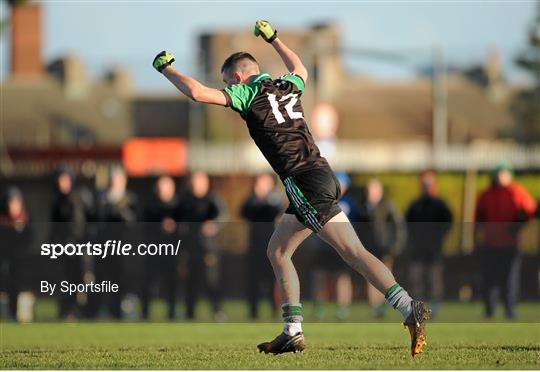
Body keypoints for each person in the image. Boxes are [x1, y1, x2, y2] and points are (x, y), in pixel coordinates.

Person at [153, 20, 430, 357]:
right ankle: (292, 332)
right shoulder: (286, 85)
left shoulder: (246, 93)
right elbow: (300, 68)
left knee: (351, 252)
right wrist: (274, 39)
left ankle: (407, 307)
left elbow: (197, 92)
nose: (226, 87)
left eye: (227, 82)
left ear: (238, 78)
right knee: (279, 251)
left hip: (302, 181)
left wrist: (167, 69)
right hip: (321, 173)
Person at [475, 162, 537, 319]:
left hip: (510, 244)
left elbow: (530, 210)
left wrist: (519, 224)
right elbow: (478, 216)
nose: (502, 177)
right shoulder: (486, 194)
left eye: (505, 173)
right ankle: (489, 311)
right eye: (499, 173)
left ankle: (510, 310)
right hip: (490, 243)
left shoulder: (516, 192)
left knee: (510, 279)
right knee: (490, 279)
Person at [177, 171, 226, 321]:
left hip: (208, 249)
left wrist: (214, 224)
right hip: (190, 248)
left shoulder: (212, 199)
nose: (196, 185)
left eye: (199, 182)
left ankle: (217, 310)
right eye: (194, 182)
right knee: (191, 281)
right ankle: (189, 313)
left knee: (211, 280)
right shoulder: (185, 200)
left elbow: (223, 215)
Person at [404, 170, 452, 318]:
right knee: (416, 279)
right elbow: (407, 225)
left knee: (434, 279)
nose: (426, 187)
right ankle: (419, 308)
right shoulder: (415, 205)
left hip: (434, 249)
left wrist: (438, 237)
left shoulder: (440, 205)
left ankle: (435, 308)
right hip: (417, 249)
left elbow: (447, 223)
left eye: (429, 184)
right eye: (424, 184)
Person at [311, 172, 358, 321]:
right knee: (320, 277)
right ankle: (319, 308)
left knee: (342, 278)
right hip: (323, 246)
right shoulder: (322, 199)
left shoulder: (349, 203)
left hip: (341, 246)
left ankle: (342, 309)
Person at [358, 178, 406, 318]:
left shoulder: (387, 207)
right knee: (371, 278)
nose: (370, 192)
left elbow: (398, 227)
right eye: (368, 189)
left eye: (373, 189)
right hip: (369, 249)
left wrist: (395, 245)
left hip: (384, 249)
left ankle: (386, 306)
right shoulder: (363, 207)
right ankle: (376, 308)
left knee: (385, 277)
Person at [241, 173, 283, 319]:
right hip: (254, 247)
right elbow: (245, 212)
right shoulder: (250, 200)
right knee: (253, 281)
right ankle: (253, 312)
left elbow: (273, 211)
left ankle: (275, 311)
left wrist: (263, 201)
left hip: (271, 247)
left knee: (274, 280)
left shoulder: (275, 199)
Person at [142, 175, 181, 320]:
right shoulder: (150, 206)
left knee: (171, 284)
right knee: (149, 283)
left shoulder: (179, 206)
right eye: (160, 187)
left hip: (172, 251)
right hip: (154, 250)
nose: (163, 190)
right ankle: (145, 313)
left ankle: (172, 313)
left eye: (166, 187)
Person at [0, 187, 31, 320]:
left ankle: (16, 314)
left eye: (16, 202)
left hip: (19, 261)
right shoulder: (2, 221)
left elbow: (29, 239)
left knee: (17, 286)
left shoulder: (25, 219)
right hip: (4, 260)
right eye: (10, 202)